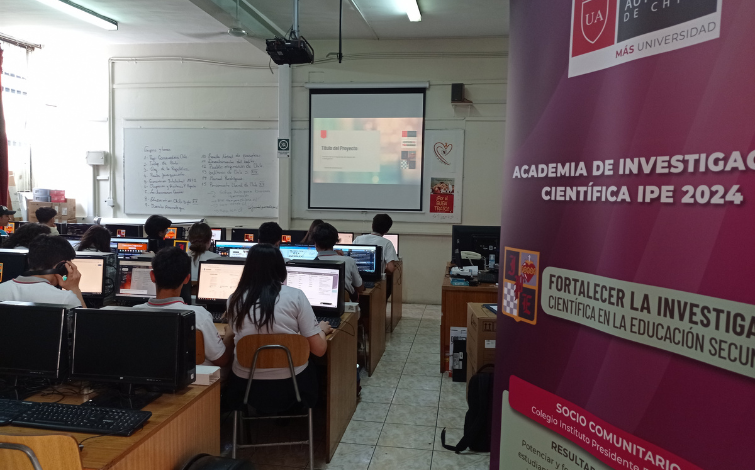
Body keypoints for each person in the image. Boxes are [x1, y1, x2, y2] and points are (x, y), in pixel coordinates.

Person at [225, 244, 333, 412]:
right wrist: (320, 330)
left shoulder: (234, 299)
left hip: (245, 385)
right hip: (292, 385)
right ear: (280, 267)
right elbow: (319, 350)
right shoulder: (295, 295)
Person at [132, 247, 233, 369]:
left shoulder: (133, 313)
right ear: (187, 279)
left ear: (152, 276)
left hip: (149, 377)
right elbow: (221, 360)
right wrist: (229, 334)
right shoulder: (198, 315)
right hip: (196, 383)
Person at [0, 234, 85, 308]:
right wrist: (74, 289)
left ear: (29, 260)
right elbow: (84, 324)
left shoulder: (2, 289)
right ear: (62, 267)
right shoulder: (65, 299)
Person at [312, 223, 364, 300]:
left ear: (315, 243)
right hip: (346, 307)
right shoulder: (348, 261)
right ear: (335, 241)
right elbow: (360, 288)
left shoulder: (310, 264)